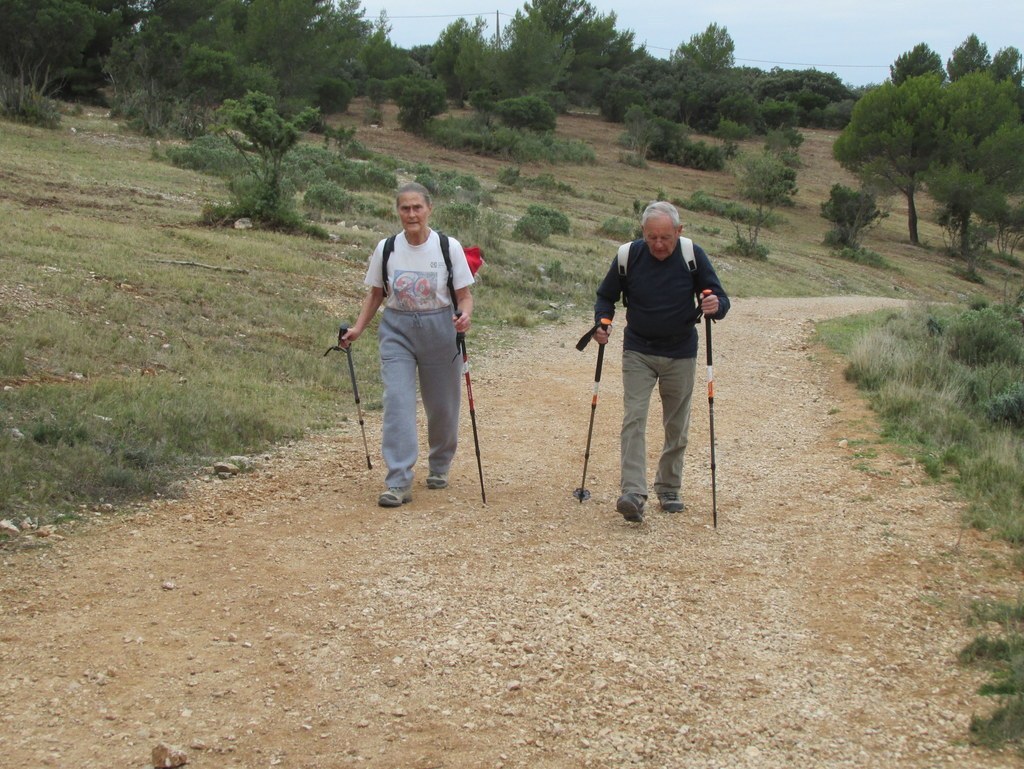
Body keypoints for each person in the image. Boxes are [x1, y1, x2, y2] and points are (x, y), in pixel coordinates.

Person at [592, 201, 730, 523]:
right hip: (638, 350)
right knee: (634, 419)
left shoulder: (692, 255)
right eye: (651, 237)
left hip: (680, 352)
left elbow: (721, 300)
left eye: (665, 237)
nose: (658, 244)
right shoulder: (629, 256)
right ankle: (634, 493)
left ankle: (668, 487)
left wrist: (714, 304)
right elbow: (605, 296)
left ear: (679, 232)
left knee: (676, 425)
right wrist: (603, 321)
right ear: (643, 232)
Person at [340, 182, 475, 507]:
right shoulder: (387, 248)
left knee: (442, 406)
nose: (411, 214)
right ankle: (398, 481)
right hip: (397, 330)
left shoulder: (448, 247)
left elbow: (464, 296)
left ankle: (440, 465)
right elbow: (376, 294)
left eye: (417, 207)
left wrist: (464, 317)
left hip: (441, 330)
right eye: (405, 208)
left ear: (429, 209)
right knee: (397, 403)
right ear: (397, 211)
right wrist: (358, 329)